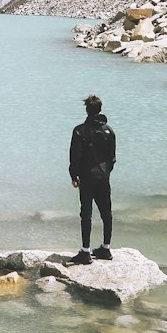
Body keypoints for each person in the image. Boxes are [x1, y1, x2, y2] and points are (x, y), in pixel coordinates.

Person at [68, 94, 115, 264]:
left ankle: (86, 252)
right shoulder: (109, 130)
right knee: (106, 212)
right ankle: (106, 248)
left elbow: (75, 156)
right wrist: (106, 171)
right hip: (103, 176)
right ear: (100, 109)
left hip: (87, 177)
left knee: (86, 213)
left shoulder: (80, 130)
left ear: (87, 109)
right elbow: (112, 157)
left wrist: (74, 176)